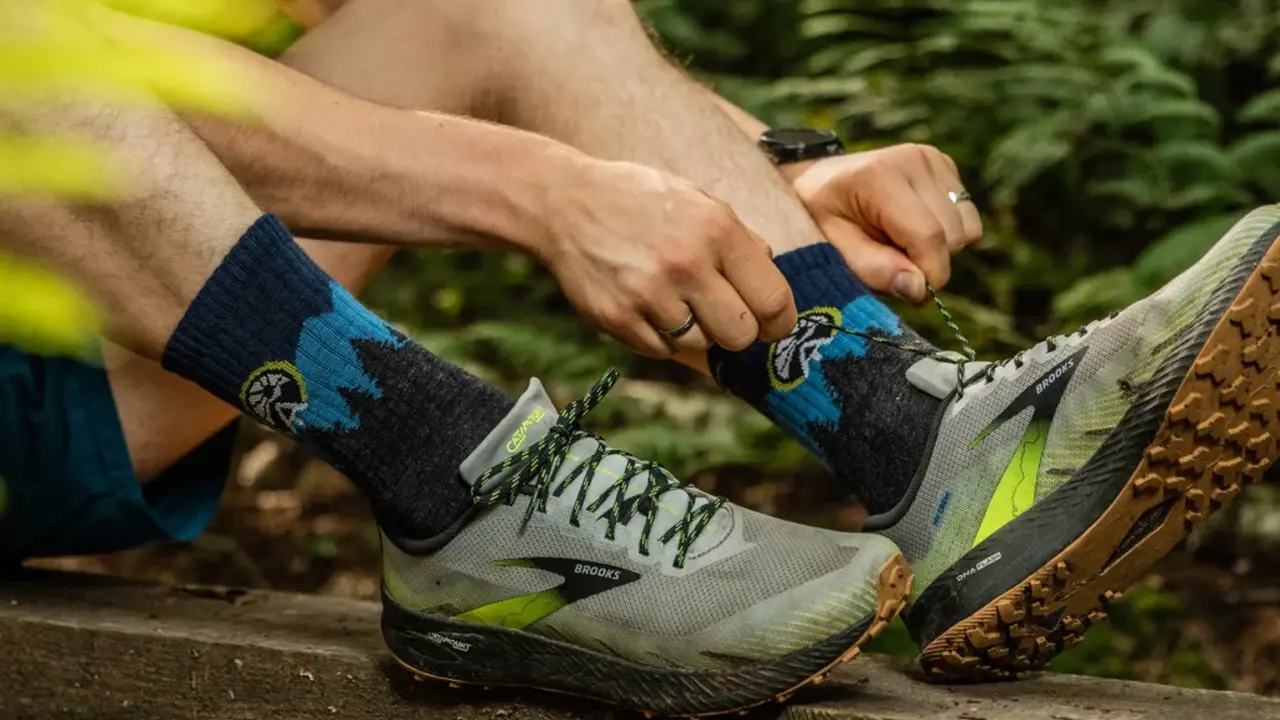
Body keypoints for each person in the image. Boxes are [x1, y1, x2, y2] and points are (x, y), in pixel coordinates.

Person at [1, 0, 1276, 711]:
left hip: (104, 345)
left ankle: (925, 441)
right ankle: (457, 485)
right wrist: (537, 191)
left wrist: (777, 172)